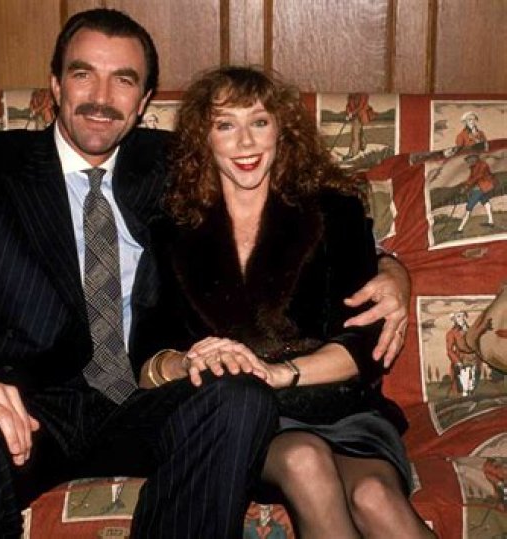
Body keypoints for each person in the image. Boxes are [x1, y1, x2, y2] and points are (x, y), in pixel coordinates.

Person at [0, 9, 281, 538]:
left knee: (240, 399)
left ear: (143, 102)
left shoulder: (174, 165)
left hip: (143, 401)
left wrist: (374, 268)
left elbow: (293, 205)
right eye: (83, 74)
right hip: (18, 409)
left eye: (123, 80)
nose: (101, 98)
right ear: (55, 86)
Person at [141, 67, 434, 538]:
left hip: (341, 404)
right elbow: (147, 355)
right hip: (246, 417)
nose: (245, 142)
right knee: (304, 460)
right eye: (225, 125)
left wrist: (285, 373)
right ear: (203, 138)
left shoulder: (334, 210)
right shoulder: (170, 228)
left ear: (282, 130)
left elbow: (366, 342)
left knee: (374, 497)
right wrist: (187, 363)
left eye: (259, 122)